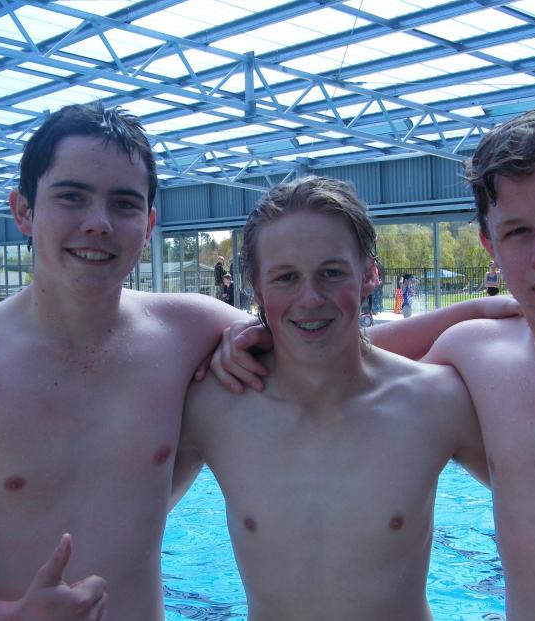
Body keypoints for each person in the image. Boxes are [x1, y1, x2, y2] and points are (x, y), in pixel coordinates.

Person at [0, 102, 513, 621]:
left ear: (148, 225)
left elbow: (331, 348)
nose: (98, 222)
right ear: (22, 211)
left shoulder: (187, 330)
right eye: (71, 197)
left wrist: (485, 313)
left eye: (122, 203)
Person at [216, 103, 535, 620]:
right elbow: (350, 370)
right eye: (518, 231)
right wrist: (266, 333)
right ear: (491, 244)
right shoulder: (477, 362)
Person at [172, 176, 489, 619]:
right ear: (257, 290)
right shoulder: (215, 408)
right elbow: (115, 526)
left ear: (369, 274)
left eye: (331, 272)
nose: (311, 298)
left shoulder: (436, 402)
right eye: (286, 278)